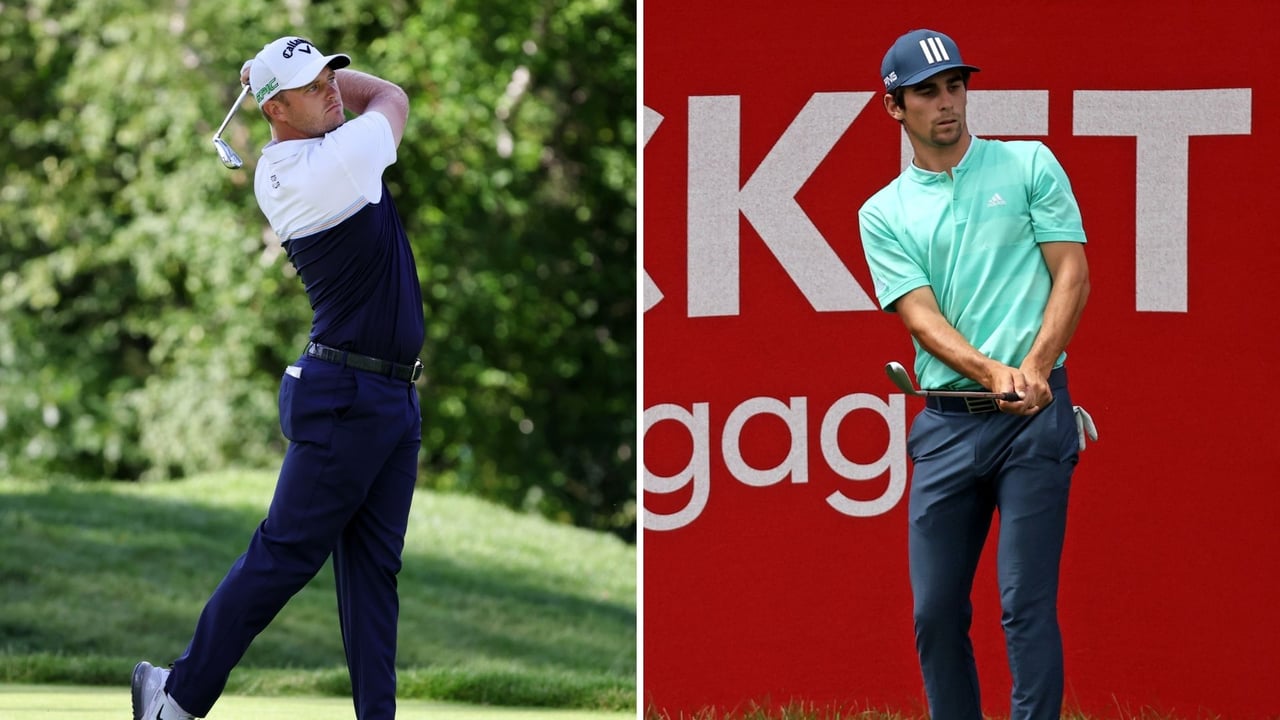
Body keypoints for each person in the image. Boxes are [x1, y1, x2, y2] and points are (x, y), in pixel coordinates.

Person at [131, 35, 423, 720]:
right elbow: (392, 97)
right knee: (285, 556)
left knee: (373, 575)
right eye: (310, 85)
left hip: (386, 397)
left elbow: (345, 103)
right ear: (273, 109)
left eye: (330, 76)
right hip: (346, 399)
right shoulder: (326, 165)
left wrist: (300, 78)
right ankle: (174, 700)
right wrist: (304, 83)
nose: (330, 90)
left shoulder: (317, 150)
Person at [857, 29, 1090, 720]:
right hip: (949, 428)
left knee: (1023, 605)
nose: (947, 102)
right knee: (933, 614)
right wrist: (996, 373)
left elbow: (1071, 273)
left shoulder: (1028, 165)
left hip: (1036, 421)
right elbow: (921, 321)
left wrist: (1037, 368)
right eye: (927, 92)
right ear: (894, 107)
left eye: (955, 86)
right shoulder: (883, 212)